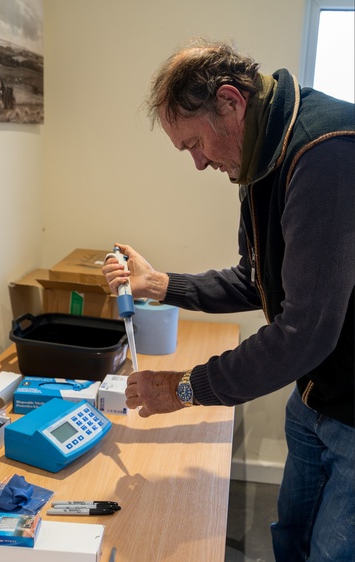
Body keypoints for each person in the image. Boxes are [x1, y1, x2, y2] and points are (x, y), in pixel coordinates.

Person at [102, 39, 354, 561]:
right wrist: (160, 285)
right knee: (290, 538)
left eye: (195, 144)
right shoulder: (261, 152)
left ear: (229, 102)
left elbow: (304, 329)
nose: (198, 163)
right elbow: (253, 279)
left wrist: (186, 388)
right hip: (314, 395)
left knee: (331, 554)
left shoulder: (325, 152)